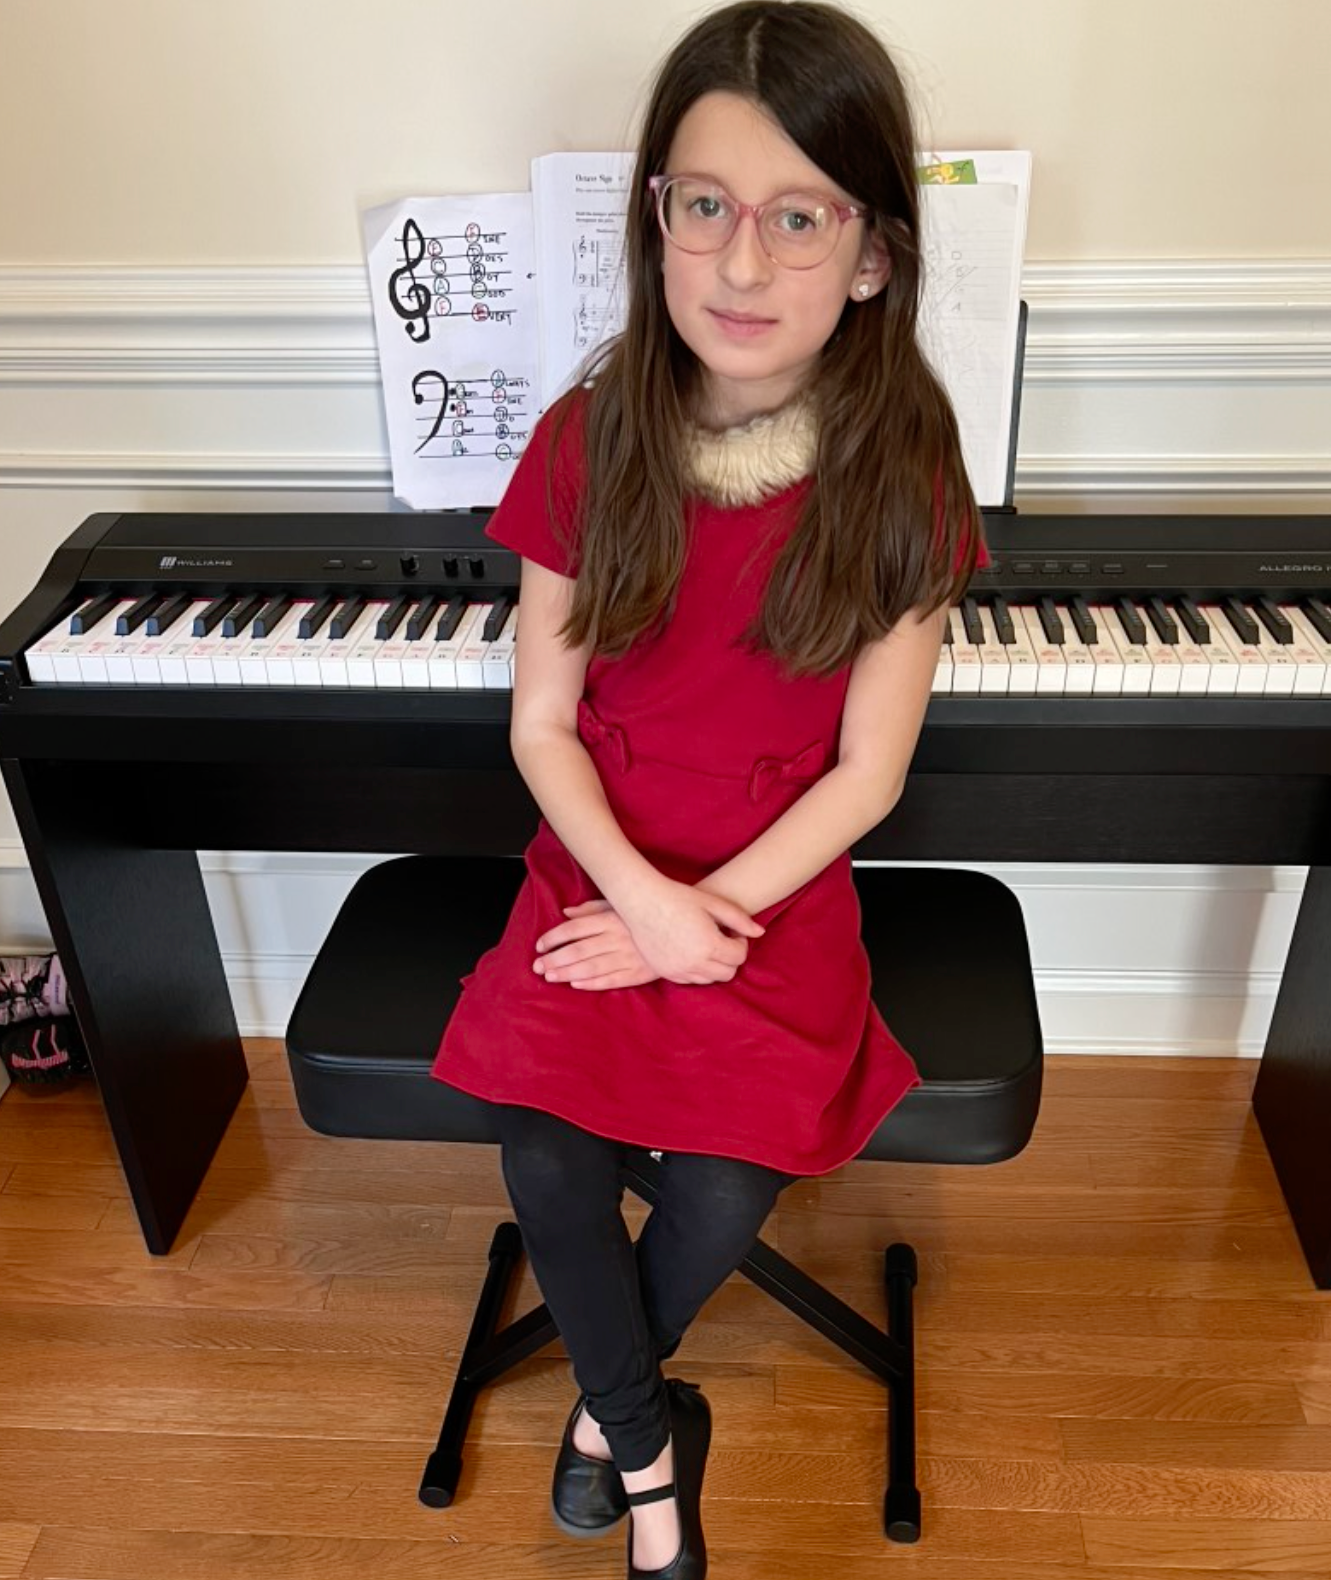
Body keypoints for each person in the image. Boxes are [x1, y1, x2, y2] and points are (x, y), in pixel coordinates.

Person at [432, 3, 984, 1573]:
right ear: (655, 225)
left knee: (730, 1185)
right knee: (542, 1147)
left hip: (771, 893)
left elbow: (868, 772)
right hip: (599, 863)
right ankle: (658, 1475)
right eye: (704, 208)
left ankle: (610, 1410)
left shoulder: (901, 474)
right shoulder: (585, 439)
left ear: (871, 254)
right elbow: (543, 725)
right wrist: (637, 902)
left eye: (797, 218)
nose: (742, 266)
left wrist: (706, 918)